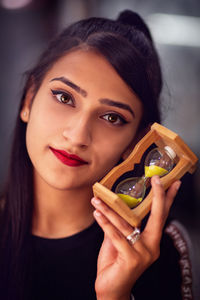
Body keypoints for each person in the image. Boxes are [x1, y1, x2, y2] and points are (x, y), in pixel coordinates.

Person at [0, 9, 188, 300]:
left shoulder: (157, 253)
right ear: (28, 99)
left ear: (137, 142)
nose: (77, 137)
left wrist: (116, 295)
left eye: (112, 118)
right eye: (64, 97)